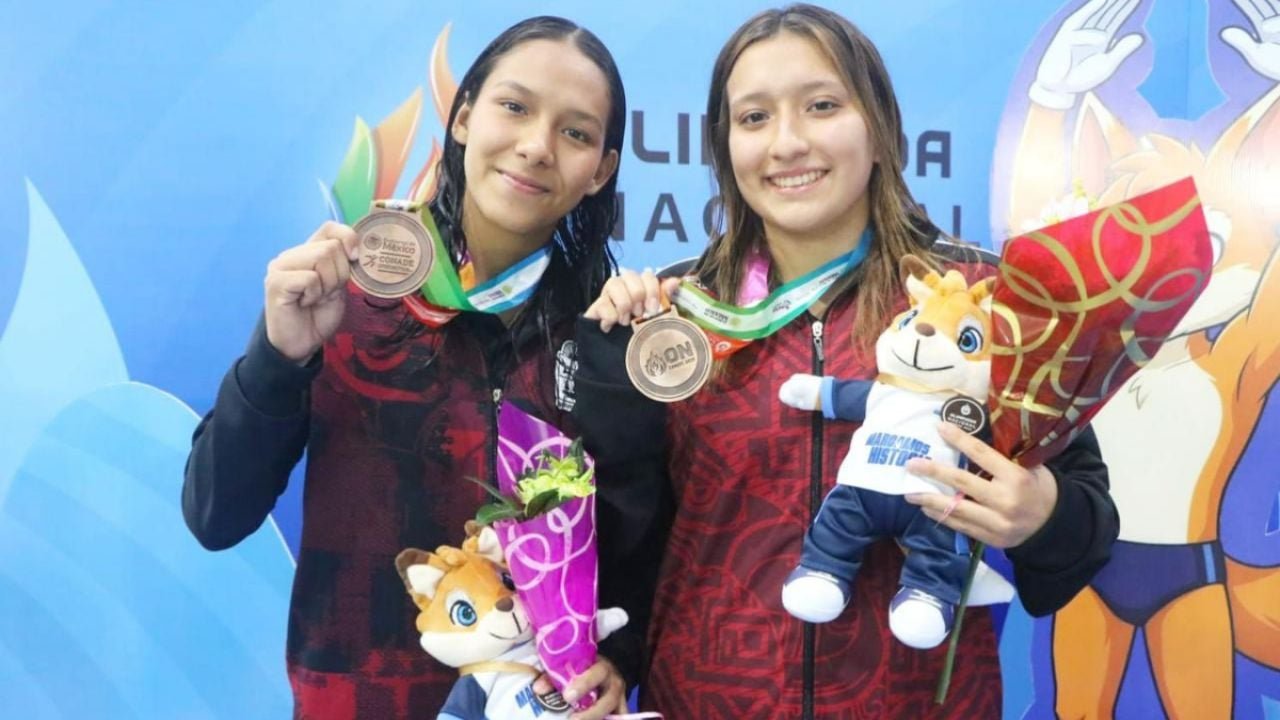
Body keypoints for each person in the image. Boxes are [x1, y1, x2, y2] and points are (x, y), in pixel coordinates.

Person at [573, 5, 1119, 718]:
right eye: (754, 118)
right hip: (709, 698)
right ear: (725, 147)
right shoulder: (676, 316)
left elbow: (1087, 520)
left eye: (822, 106)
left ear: (879, 126)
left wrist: (1042, 514)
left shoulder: (982, 301)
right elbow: (627, 529)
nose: (788, 143)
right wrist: (612, 655)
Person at [182, 16, 641, 719]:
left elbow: (639, 542)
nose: (536, 146)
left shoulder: (605, 334)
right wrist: (280, 358)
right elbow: (214, 514)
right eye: (514, 107)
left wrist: (624, 654)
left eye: (575, 133)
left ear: (601, 170)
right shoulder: (350, 294)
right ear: (463, 117)